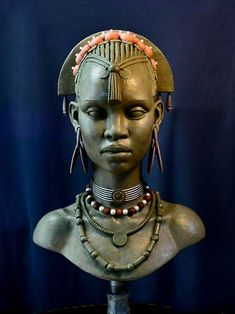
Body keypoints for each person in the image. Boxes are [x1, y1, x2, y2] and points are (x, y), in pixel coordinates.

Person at [33, 30, 205, 281]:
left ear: (156, 116)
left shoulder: (182, 226)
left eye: (134, 111)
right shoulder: (56, 230)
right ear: (75, 117)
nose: (116, 131)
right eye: (96, 112)